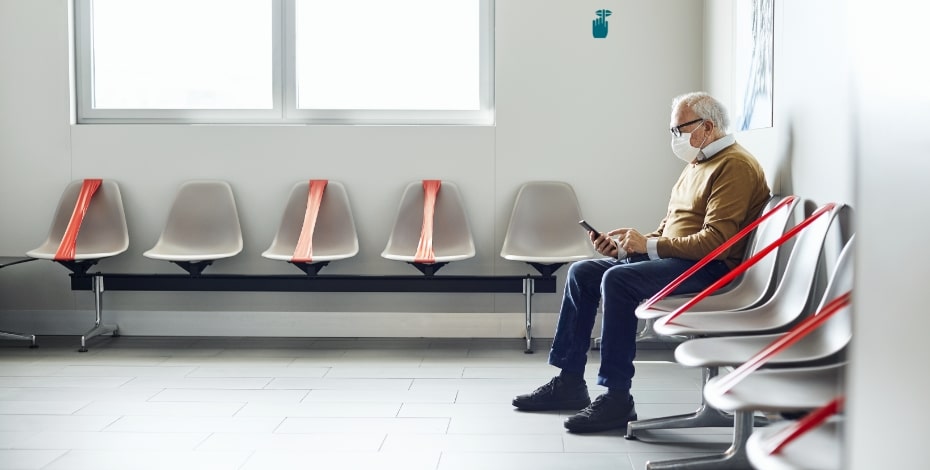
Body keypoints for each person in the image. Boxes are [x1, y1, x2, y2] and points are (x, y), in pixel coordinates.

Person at [512, 92, 771, 433]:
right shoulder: (696, 165)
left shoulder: (734, 166)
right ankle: (570, 381)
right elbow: (669, 230)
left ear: (707, 127)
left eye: (680, 129)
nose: (674, 138)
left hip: (711, 270)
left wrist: (646, 246)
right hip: (681, 262)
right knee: (583, 272)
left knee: (618, 282)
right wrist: (626, 250)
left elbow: (716, 243)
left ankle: (618, 398)